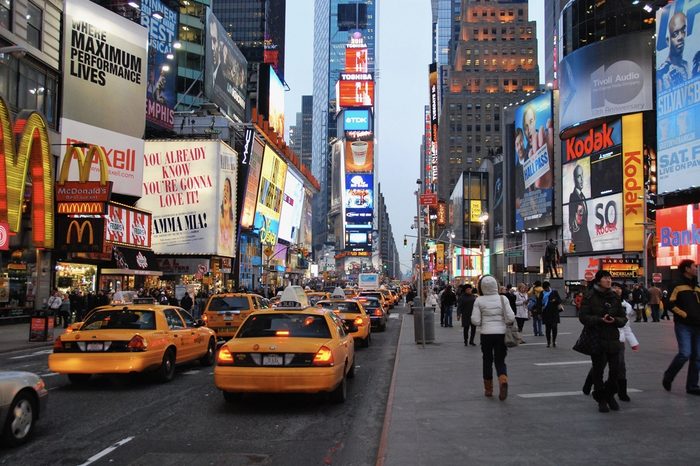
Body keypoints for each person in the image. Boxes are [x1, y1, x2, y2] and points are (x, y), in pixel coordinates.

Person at [579, 270, 627, 413]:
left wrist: (615, 320)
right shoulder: (589, 296)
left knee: (615, 371)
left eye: (610, 278)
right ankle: (601, 399)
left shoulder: (615, 297)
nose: (609, 281)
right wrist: (600, 320)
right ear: (599, 280)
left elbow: (623, 318)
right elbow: (583, 317)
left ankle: (609, 394)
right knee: (598, 370)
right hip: (597, 338)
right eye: (606, 278)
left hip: (613, 337)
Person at [583, 282, 639, 402]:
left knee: (620, 366)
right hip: (603, 337)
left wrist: (633, 342)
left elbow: (626, 325)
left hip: (619, 340)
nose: (617, 290)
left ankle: (621, 392)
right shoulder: (602, 302)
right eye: (614, 287)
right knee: (600, 364)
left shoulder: (626, 306)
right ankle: (589, 384)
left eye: (619, 288)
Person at [472, 275, 516, 400]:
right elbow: (511, 317)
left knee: (487, 360)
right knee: (500, 360)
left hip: (486, 334)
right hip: (501, 334)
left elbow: (475, 321)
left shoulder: (479, 300)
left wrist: (482, 321)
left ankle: (488, 389)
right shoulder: (503, 299)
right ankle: (503, 380)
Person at [662, 259, 700, 395]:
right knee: (685, 353)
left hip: (698, 326)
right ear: (687, 269)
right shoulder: (677, 285)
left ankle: (692, 386)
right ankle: (668, 376)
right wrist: (684, 315)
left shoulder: (696, 287)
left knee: (697, 357)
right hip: (684, 325)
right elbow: (669, 304)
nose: (696, 268)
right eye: (694, 267)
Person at [657, 12, 689, 92]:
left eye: (683, 30)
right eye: (675, 34)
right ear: (668, 41)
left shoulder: (688, 64)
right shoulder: (662, 73)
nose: (680, 37)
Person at [568, 164, 593, 252]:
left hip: (586, 241)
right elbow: (571, 223)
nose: (582, 180)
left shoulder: (583, 197)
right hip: (578, 243)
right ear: (574, 179)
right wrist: (576, 220)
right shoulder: (573, 197)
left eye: (582, 176)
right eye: (579, 176)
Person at [541, 281, 562, 348]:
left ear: (549, 286)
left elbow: (559, 300)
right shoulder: (542, 293)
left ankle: (554, 341)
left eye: (547, 288)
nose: (546, 290)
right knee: (548, 329)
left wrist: (555, 299)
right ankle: (548, 342)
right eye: (545, 289)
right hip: (546, 313)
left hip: (554, 312)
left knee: (554, 327)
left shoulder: (554, 292)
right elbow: (539, 302)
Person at [219, 177, 234, 255]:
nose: (225, 193)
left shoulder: (233, 227)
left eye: (227, 190)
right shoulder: (218, 223)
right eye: (224, 190)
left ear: (231, 202)